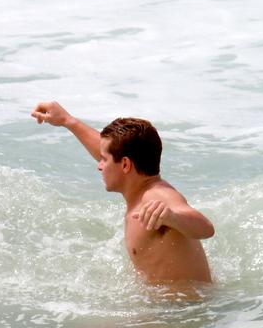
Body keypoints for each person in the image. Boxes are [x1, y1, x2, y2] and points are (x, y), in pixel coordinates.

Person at [31, 101, 214, 286]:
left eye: (104, 160)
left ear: (126, 165)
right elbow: (111, 153)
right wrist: (67, 120)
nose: (99, 165)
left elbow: (206, 228)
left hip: (180, 311)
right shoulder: (140, 184)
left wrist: (172, 217)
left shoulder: (157, 197)